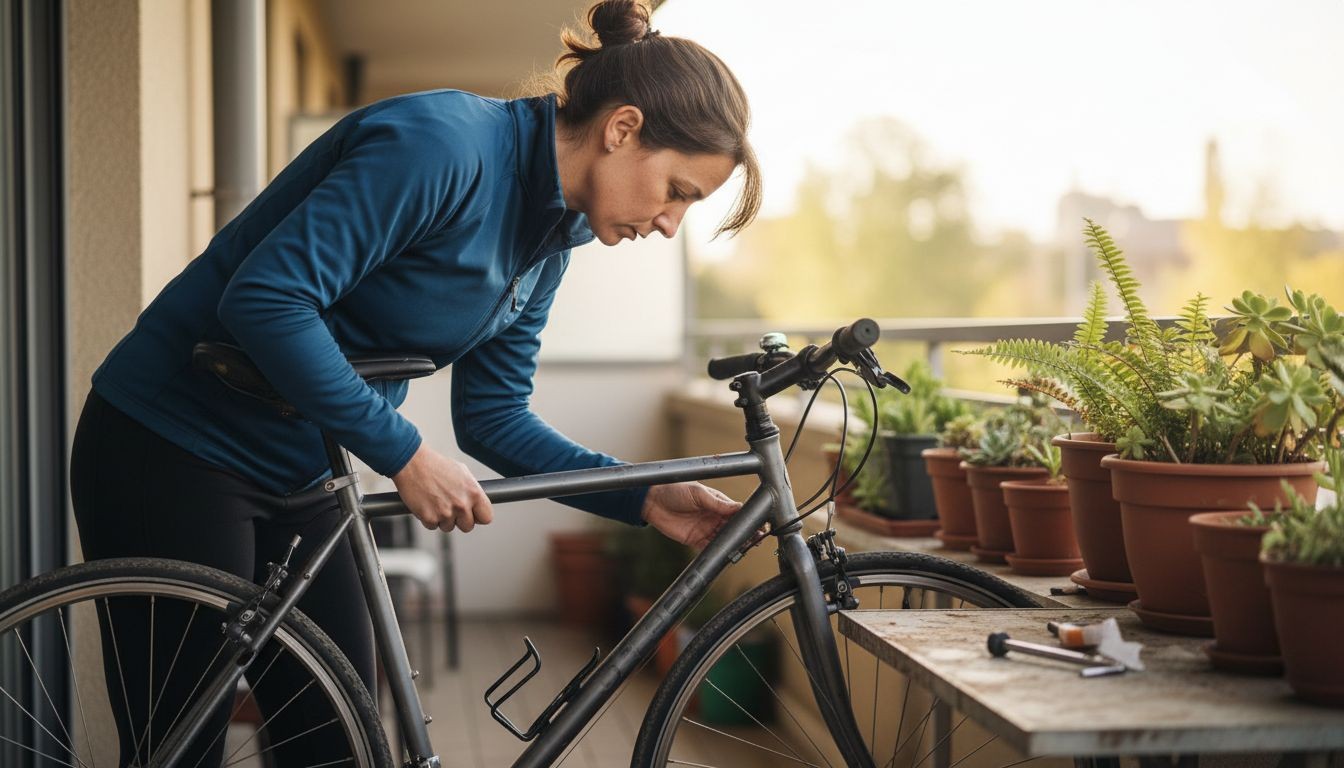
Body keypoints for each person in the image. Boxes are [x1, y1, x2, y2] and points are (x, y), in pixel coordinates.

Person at [68, 1, 761, 764]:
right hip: (172, 444)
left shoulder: (551, 237)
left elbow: (495, 417)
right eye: (679, 191)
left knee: (337, 741)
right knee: (182, 745)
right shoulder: (441, 147)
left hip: (302, 470)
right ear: (622, 129)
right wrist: (402, 451)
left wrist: (641, 495)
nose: (670, 224)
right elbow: (267, 298)